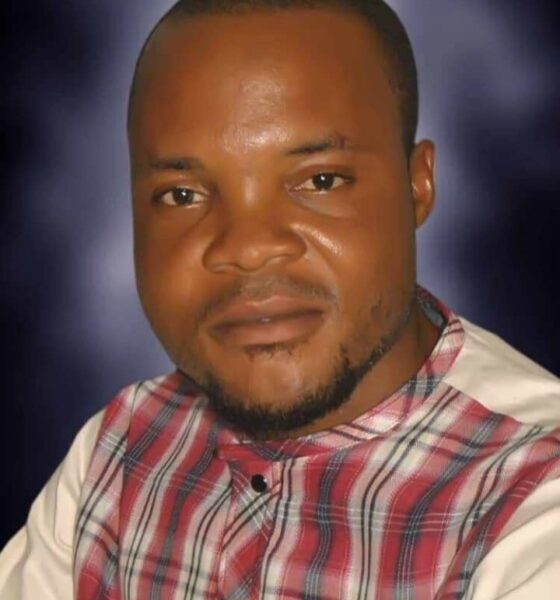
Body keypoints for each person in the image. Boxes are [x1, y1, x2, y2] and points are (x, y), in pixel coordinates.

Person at [1, 1, 559, 598]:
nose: (247, 247)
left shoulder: (532, 498)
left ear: (417, 185)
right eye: (182, 194)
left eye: (320, 181)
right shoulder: (118, 452)